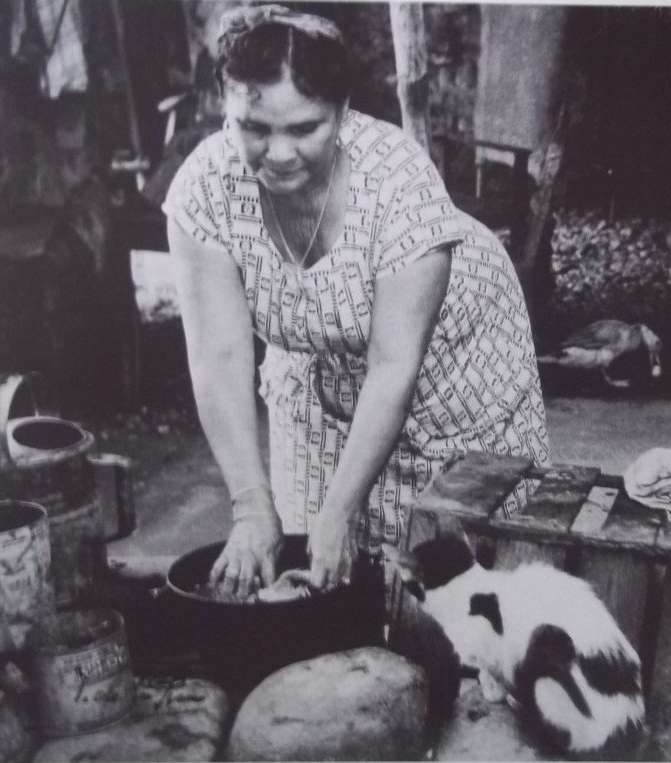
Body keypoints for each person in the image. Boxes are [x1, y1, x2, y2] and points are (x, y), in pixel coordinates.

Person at [163, 4, 548, 598]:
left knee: (456, 582)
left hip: (450, 362)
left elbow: (393, 367)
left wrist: (341, 509)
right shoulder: (203, 190)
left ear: (342, 112)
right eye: (255, 127)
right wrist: (250, 505)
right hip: (316, 365)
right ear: (225, 107)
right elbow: (218, 357)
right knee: (312, 570)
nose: (279, 153)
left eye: (304, 129)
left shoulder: (400, 184)